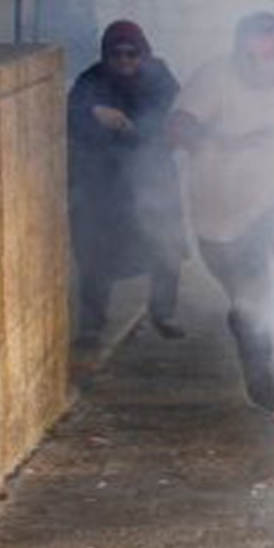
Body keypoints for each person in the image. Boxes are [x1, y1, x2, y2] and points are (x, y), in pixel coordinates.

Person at [169, 12, 274, 418]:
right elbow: (177, 126)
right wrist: (223, 142)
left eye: (271, 57)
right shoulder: (214, 79)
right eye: (253, 58)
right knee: (248, 300)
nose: (263, 68)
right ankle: (259, 373)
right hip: (222, 215)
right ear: (238, 51)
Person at [67, 20, 186, 350]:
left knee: (165, 243)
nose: (124, 61)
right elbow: (68, 114)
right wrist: (94, 112)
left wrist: (134, 129)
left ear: (143, 53)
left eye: (132, 54)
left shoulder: (159, 78)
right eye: (116, 55)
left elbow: (173, 119)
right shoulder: (91, 81)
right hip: (104, 181)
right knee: (95, 251)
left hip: (151, 174)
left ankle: (163, 313)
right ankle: (91, 325)